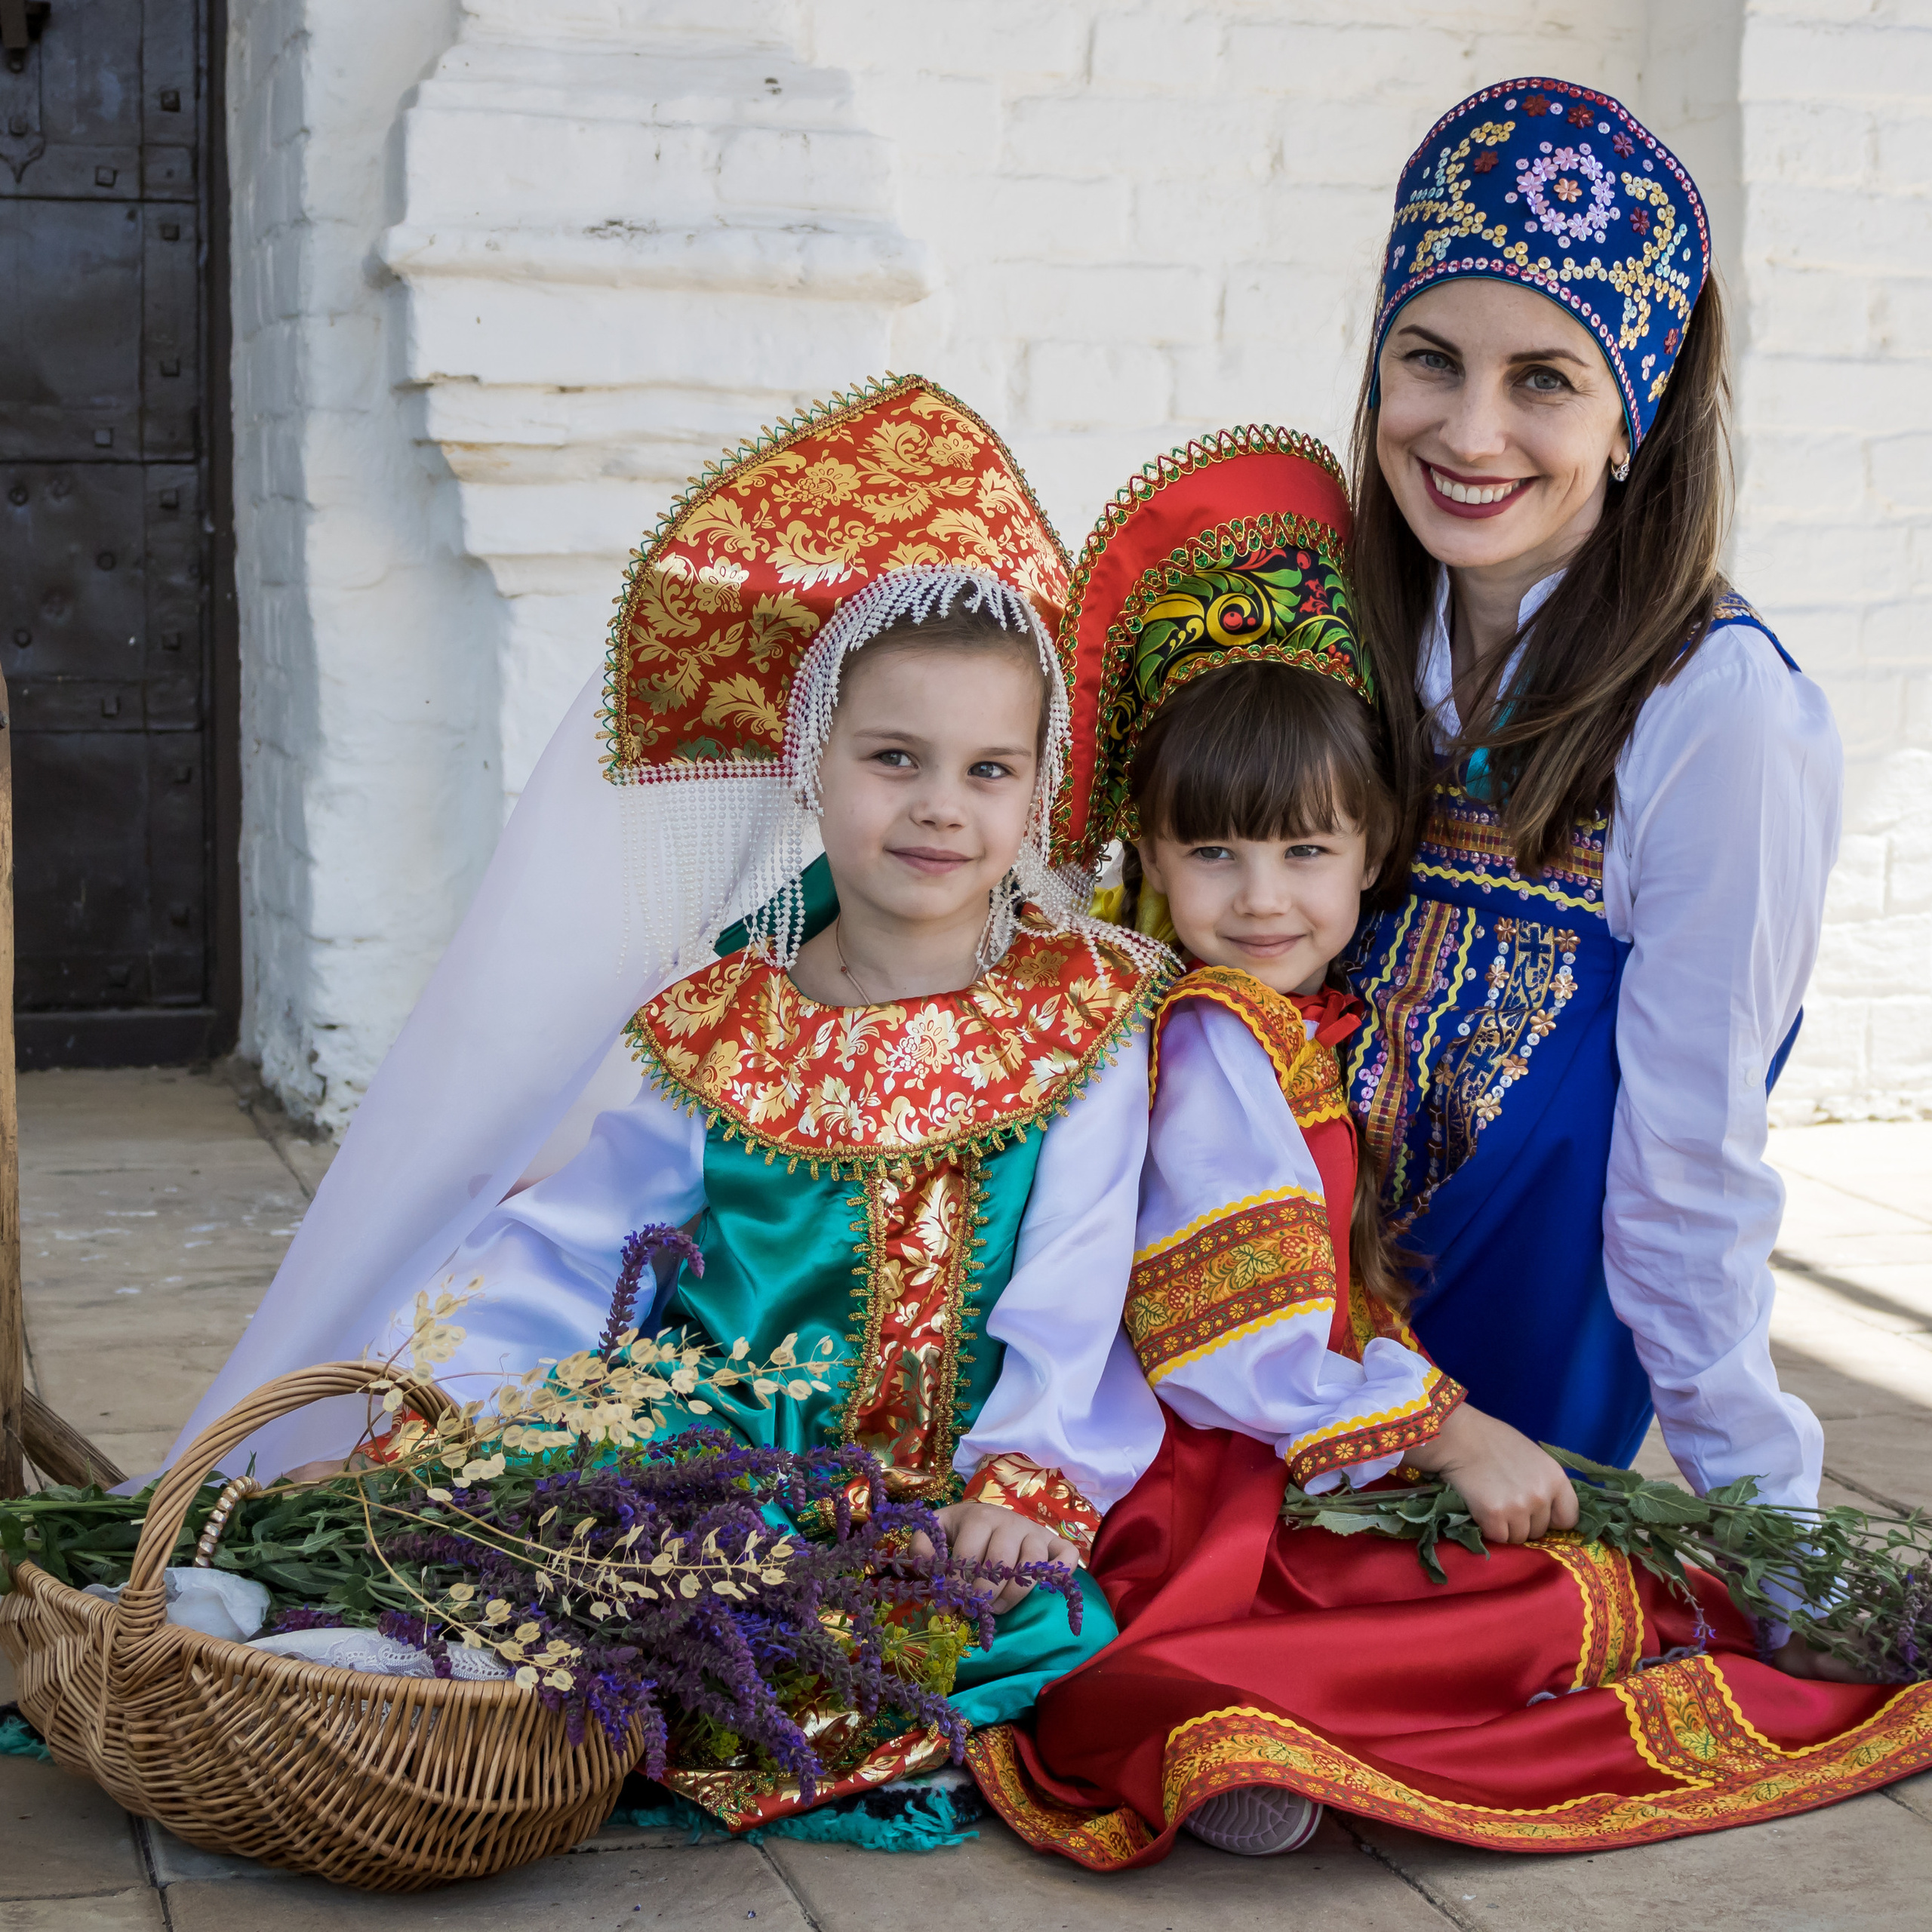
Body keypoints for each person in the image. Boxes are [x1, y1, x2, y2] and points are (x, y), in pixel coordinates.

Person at [160, 376, 1173, 1820]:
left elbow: (1072, 1287)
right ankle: (364, 1653)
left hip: (944, 1503)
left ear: (1035, 791)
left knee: (1002, 1642)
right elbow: (583, 1242)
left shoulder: (1083, 1014)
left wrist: (1029, 1481)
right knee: (573, 1574)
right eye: (894, 759)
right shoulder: (719, 1024)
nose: (940, 807)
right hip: (711, 1471)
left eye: (987, 771)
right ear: (809, 764)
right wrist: (453, 1406)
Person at [968, 423, 1932, 1869]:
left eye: (1305, 853)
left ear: (1376, 852)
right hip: (1222, 1461)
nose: (1262, 899)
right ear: (1148, 861)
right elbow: (1229, 1332)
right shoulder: (1213, 1043)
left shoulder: (1291, 1029)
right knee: (1531, 1601)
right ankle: (1232, 1741)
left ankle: (1264, 1728)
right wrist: (1450, 1426)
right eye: (1214, 854)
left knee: (1530, 1577)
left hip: (1283, 1435)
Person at [1340, 78, 1838, 1531]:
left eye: (1544, 379)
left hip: (1506, 1450)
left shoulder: (1715, 709)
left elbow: (1692, 1164)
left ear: (1636, 416)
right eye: (1429, 360)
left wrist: (1764, 1519)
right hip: (1261, 1355)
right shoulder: (1333, 632)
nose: (1471, 431)